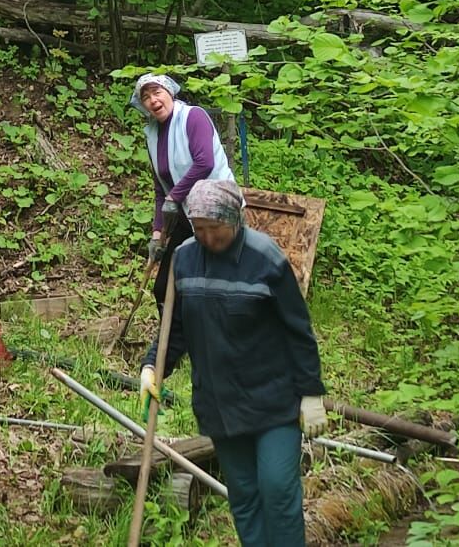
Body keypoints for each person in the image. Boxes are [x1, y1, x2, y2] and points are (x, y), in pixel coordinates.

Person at [139, 179, 327, 547]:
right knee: (243, 496)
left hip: (274, 401)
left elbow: (298, 332)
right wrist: (152, 368)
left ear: (236, 220)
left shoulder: (266, 259)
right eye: (200, 229)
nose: (208, 238)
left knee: (277, 488)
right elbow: (175, 329)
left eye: (216, 229)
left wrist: (311, 394)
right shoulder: (185, 258)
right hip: (220, 403)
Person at [129, 72, 236, 312]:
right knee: (163, 287)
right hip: (186, 218)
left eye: (157, 92)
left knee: (211, 287)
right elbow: (160, 189)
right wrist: (157, 234)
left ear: (170, 93)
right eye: (146, 97)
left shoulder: (192, 116)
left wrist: (174, 196)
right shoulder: (152, 135)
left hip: (216, 212)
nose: (153, 100)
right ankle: (175, 343)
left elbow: (205, 162)